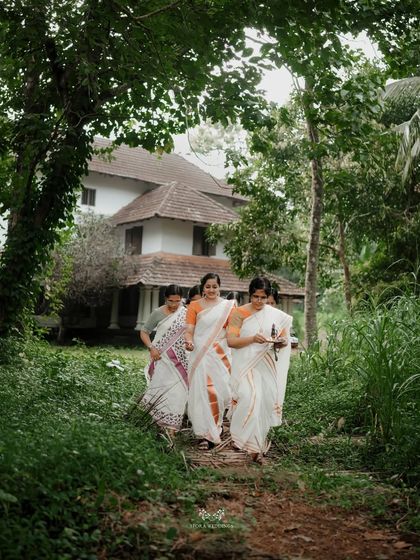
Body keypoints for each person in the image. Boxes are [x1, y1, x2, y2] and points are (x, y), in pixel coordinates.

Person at [227, 277, 292, 463]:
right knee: (249, 397)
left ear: (268, 296)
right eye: (255, 296)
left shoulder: (275, 315)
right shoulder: (239, 313)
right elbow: (231, 341)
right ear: (250, 294)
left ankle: (256, 449)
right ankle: (239, 437)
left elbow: (284, 340)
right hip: (245, 365)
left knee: (264, 403)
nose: (259, 301)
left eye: (263, 297)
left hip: (267, 365)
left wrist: (280, 342)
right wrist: (252, 339)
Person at [184, 273, 235, 449]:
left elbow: (232, 331)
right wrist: (189, 341)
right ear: (202, 287)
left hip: (220, 354)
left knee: (220, 393)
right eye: (208, 286)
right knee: (201, 394)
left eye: (214, 286)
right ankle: (203, 435)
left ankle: (216, 427)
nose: (211, 290)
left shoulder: (228, 307)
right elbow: (189, 329)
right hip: (200, 353)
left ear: (219, 287)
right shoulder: (194, 306)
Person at [140, 284, 188, 433]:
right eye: (170, 301)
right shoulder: (157, 313)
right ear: (165, 298)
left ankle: (172, 430)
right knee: (160, 391)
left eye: (177, 301)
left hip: (180, 361)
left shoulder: (185, 313)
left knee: (178, 393)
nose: (174, 305)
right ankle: (158, 427)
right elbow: (144, 332)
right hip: (161, 359)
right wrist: (151, 348)